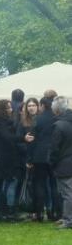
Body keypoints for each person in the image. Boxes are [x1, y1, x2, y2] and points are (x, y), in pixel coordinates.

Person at [0, 99, 34, 221]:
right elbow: (7, 137)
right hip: (3, 158)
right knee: (9, 183)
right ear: (3, 109)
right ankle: (9, 212)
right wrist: (22, 138)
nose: (11, 110)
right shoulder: (2, 123)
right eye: (8, 108)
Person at [49, 96, 72, 229]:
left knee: (67, 193)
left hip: (64, 163)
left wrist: (51, 161)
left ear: (56, 110)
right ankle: (66, 217)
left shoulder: (58, 125)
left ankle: (68, 220)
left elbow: (54, 148)